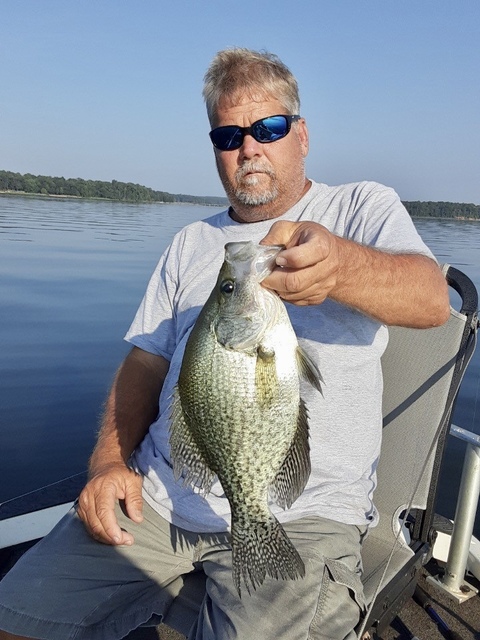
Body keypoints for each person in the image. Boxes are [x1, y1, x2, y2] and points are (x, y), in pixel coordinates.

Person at [0, 48, 450, 640]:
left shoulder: (361, 207)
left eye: (268, 128)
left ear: (302, 134)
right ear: (215, 146)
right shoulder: (190, 243)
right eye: (229, 134)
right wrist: (109, 463)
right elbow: (143, 364)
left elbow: (431, 301)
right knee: (14, 618)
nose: (249, 147)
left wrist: (341, 268)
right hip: (157, 499)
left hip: (300, 517)